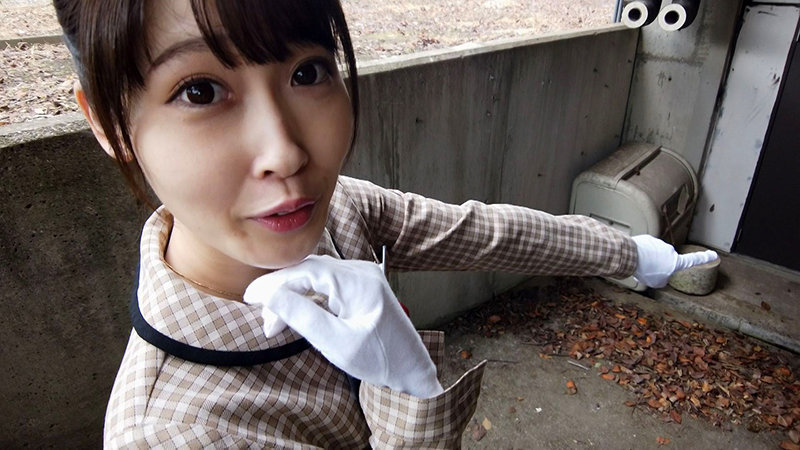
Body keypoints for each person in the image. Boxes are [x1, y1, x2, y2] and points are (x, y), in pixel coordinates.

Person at [53, 0, 717, 447]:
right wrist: (410, 390)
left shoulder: (339, 212)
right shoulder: (175, 432)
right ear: (109, 122)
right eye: (200, 91)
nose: (286, 152)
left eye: (307, 71)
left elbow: (482, 232)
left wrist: (627, 252)